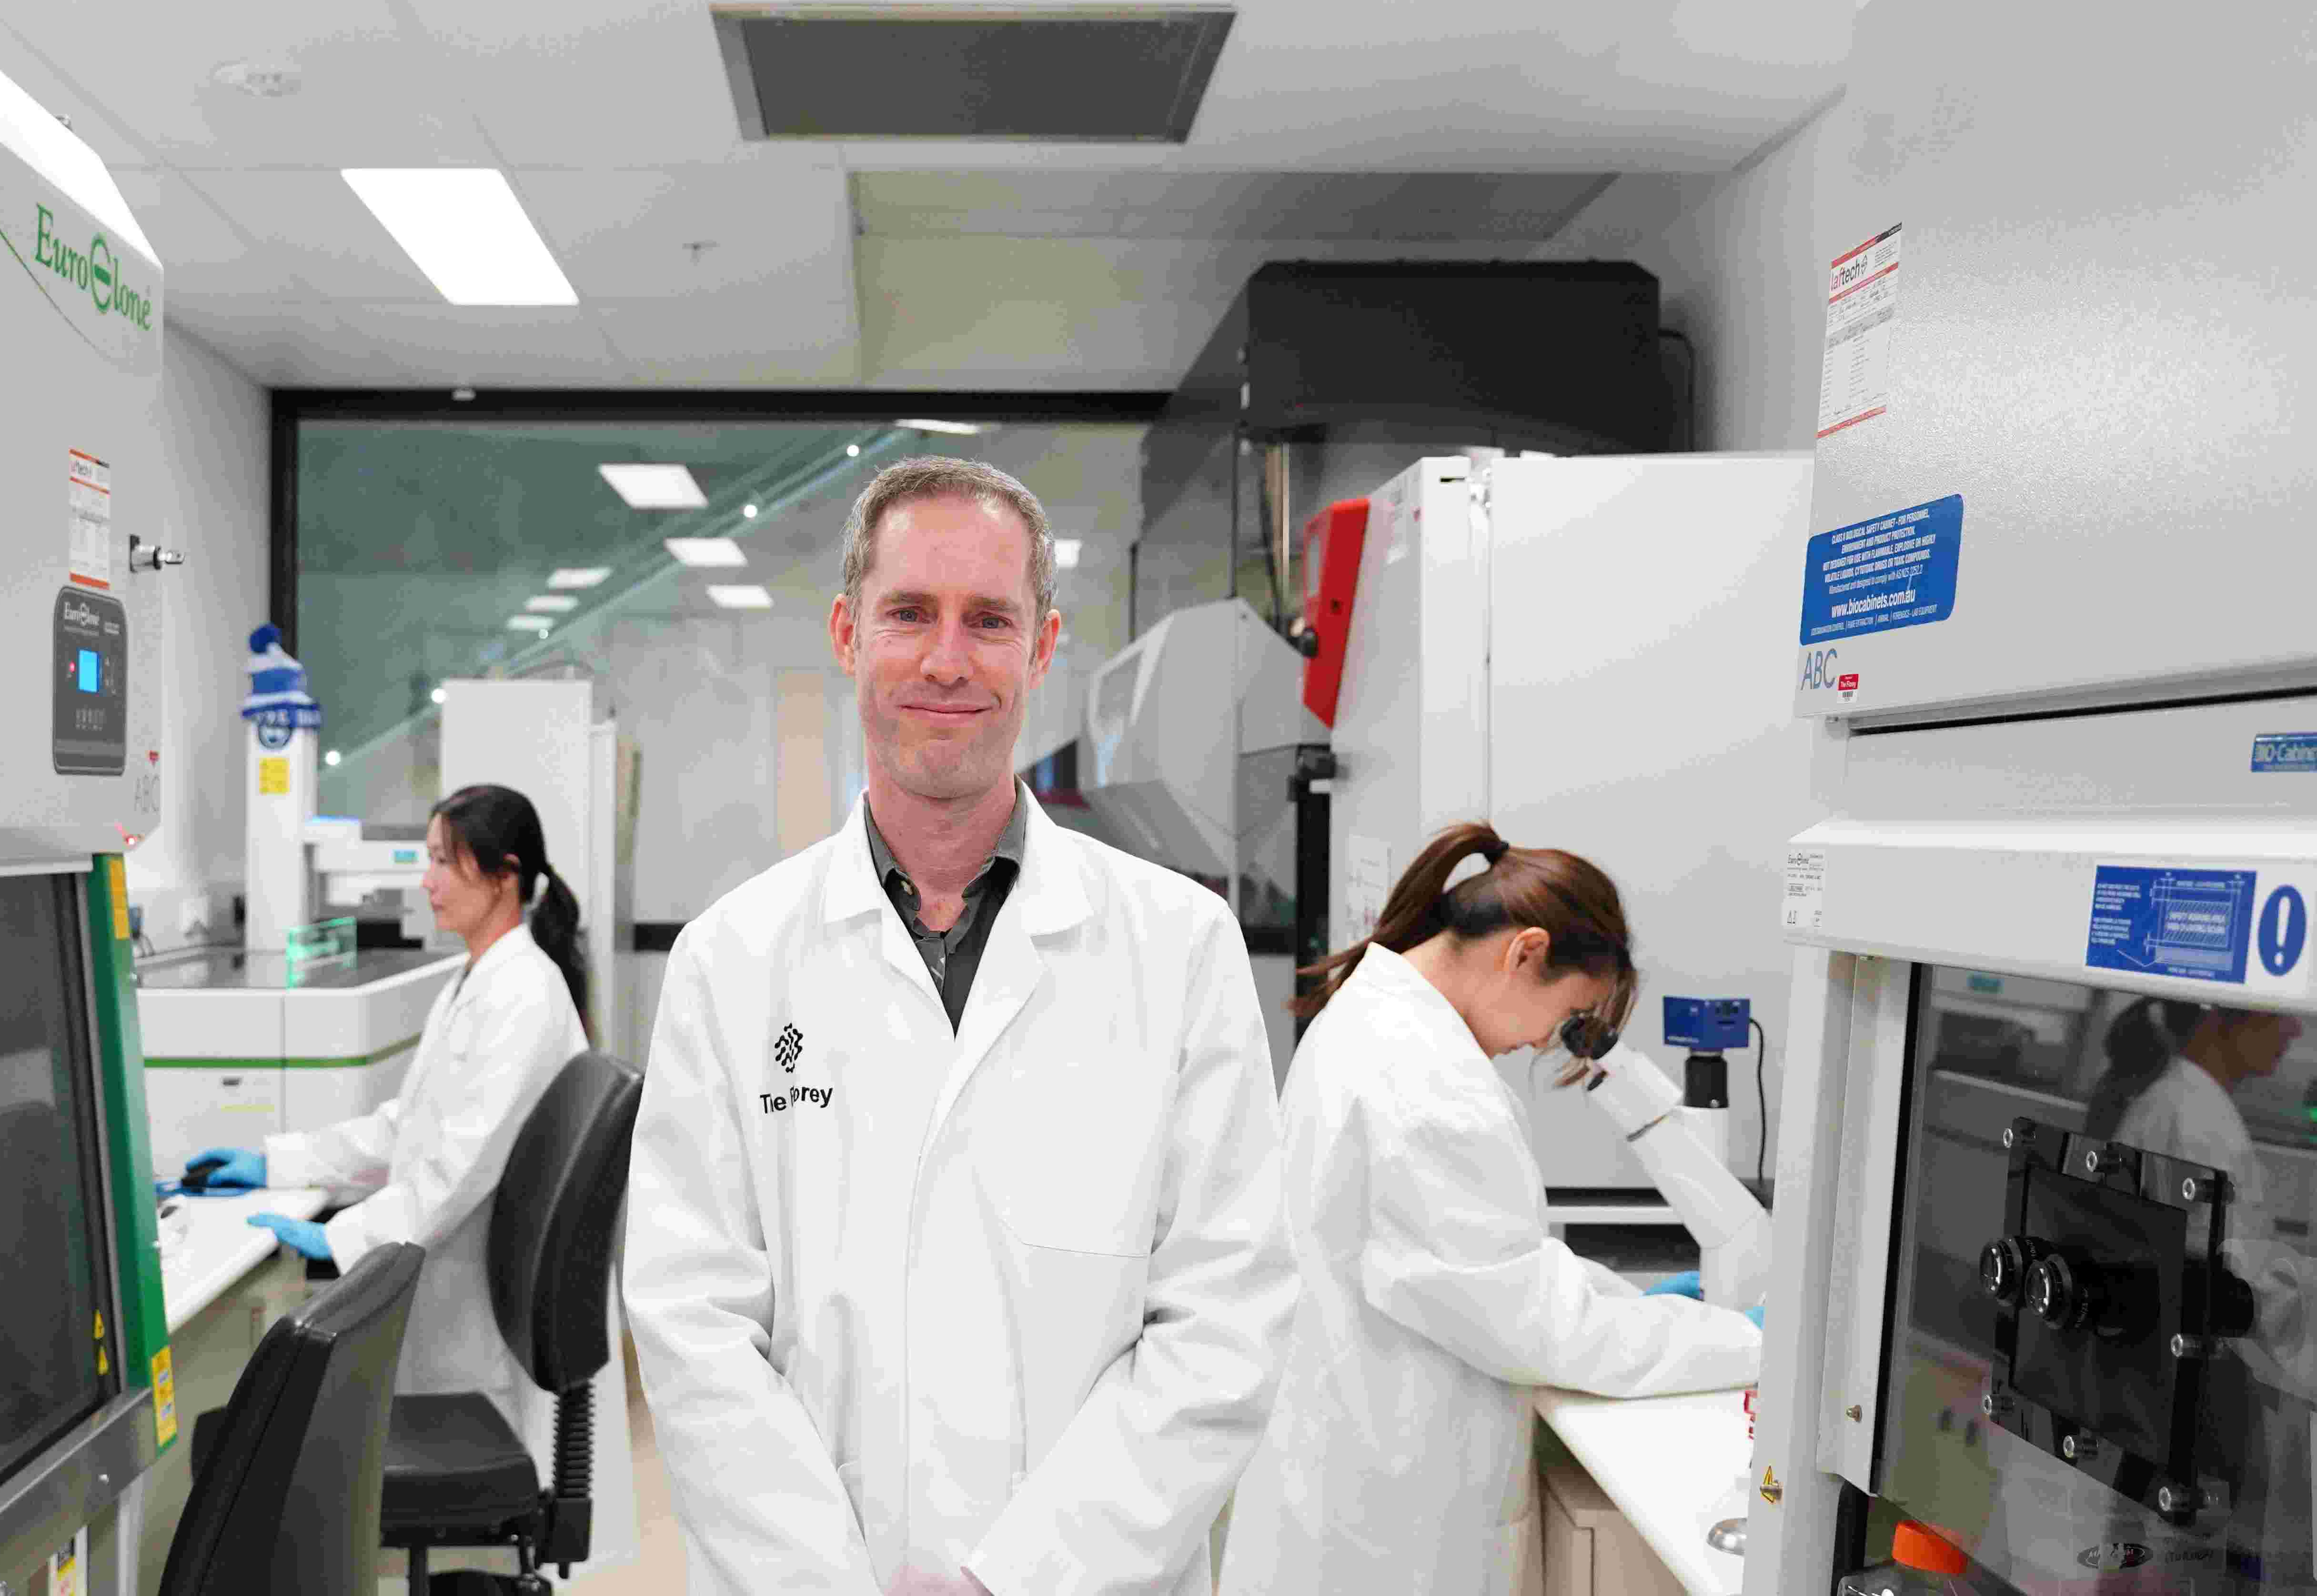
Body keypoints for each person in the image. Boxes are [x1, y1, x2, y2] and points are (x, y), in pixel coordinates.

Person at [623, 455, 1297, 1596]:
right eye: (909, 614)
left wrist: (1014, 1579)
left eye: (989, 619)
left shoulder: (1180, 949)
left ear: (1043, 646)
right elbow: (692, 1325)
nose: (946, 659)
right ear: (847, 634)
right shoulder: (732, 960)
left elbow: (1224, 1319)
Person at [1222, 823, 1763, 1596]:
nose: (1545, 1040)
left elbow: (1489, 1266)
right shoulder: (1424, 1081)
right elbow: (1536, 1323)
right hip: (1390, 1519)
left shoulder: (1378, 1020)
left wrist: (1631, 1301)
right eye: (1565, 1013)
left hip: (1351, 1469)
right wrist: (1743, 1340)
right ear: (1526, 952)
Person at [184, 783, 635, 1572]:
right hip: (453, 1303)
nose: (425, 881)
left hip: (476, 1327)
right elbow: (408, 1127)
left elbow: (456, 1170)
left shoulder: (523, 996)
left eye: (440, 862)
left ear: (501, 874)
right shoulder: (477, 982)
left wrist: (335, 1237)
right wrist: (281, 1161)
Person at [2084, 995, 2313, 1391]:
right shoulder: (2200, 1124)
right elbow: (2242, 1293)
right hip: (2180, 1385)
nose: (2295, 1028)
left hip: (2142, 1375)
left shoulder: (2173, 1101)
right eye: (2279, 1008)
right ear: (2219, 1012)